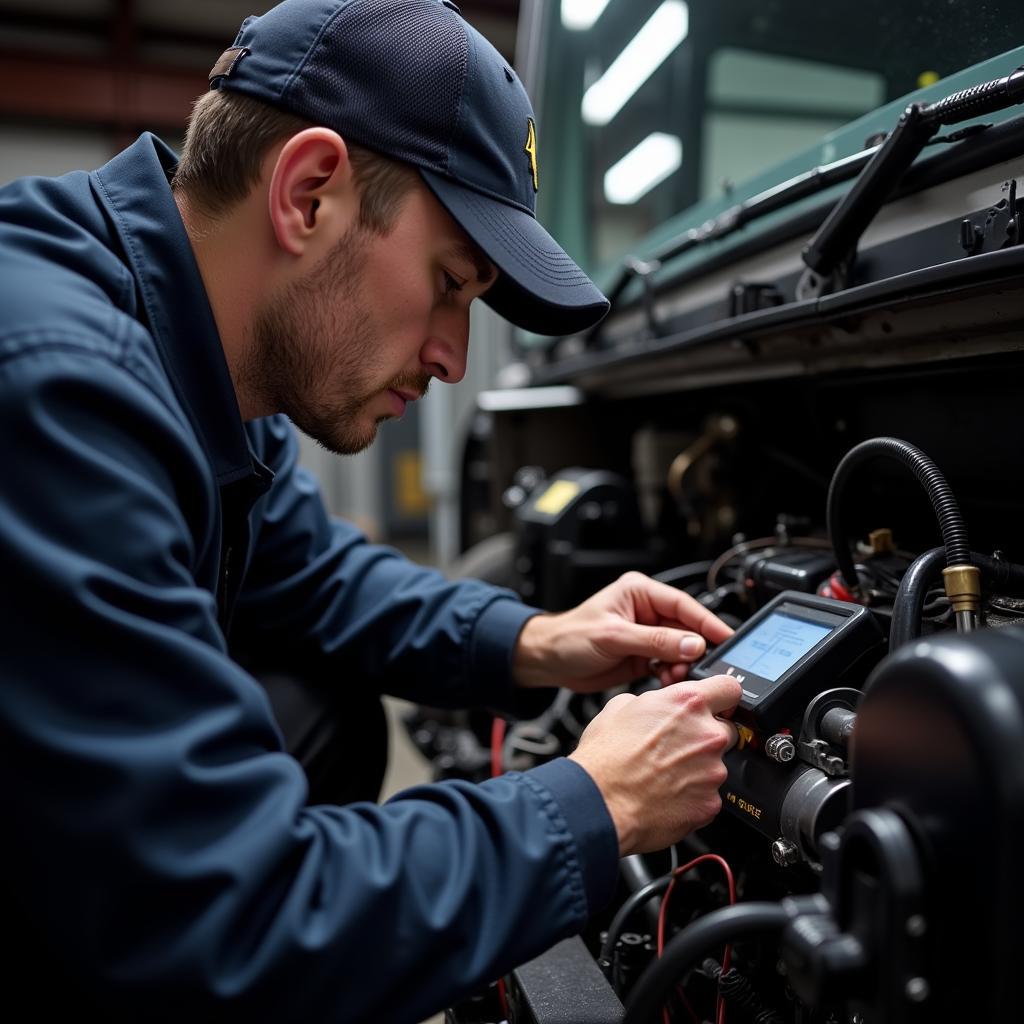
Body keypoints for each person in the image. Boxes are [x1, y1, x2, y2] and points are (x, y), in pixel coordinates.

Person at [0, 0, 741, 1020]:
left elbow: (316, 575)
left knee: (317, 699)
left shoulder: (200, 367)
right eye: (449, 284)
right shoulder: (57, 389)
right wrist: (592, 802)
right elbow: (233, 914)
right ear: (308, 194)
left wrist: (536, 637)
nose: (452, 358)